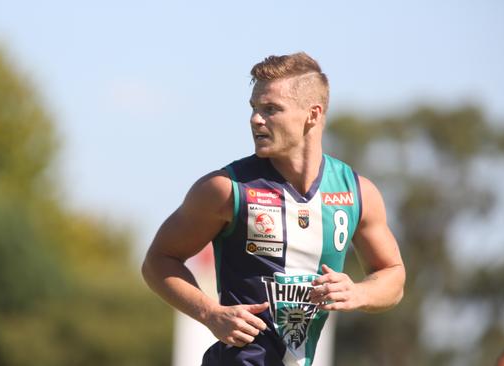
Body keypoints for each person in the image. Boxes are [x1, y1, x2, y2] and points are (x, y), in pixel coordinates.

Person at [142, 52, 405, 366]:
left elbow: (393, 276)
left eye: (271, 109)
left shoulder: (357, 193)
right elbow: (158, 261)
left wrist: (359, 293)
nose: (256, 119)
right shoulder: (226, 189)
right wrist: (210, 313)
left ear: (313, 114)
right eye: (254, 108)